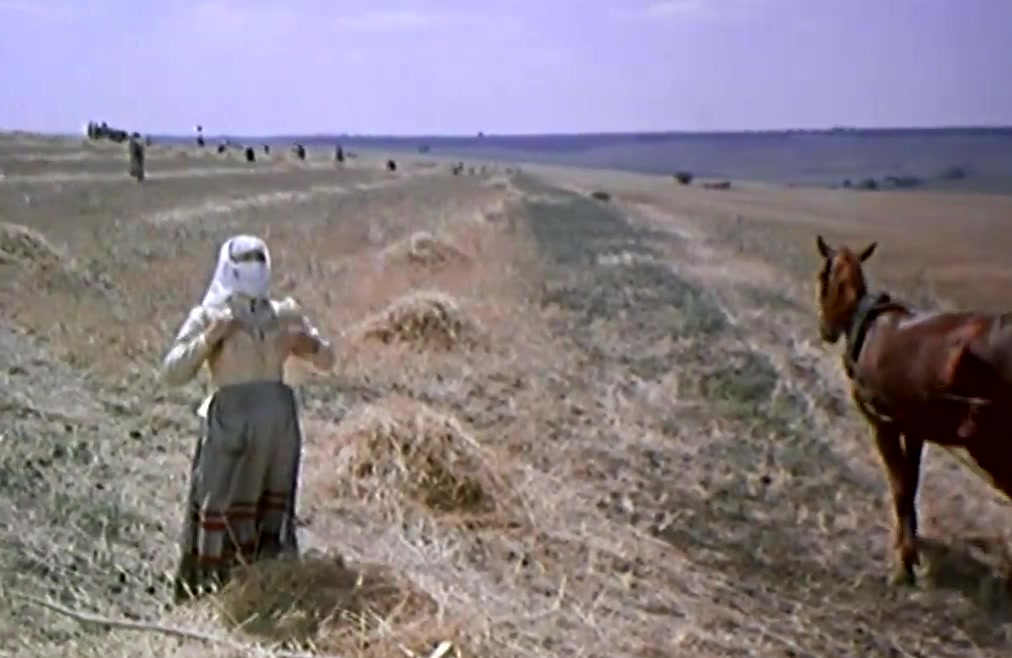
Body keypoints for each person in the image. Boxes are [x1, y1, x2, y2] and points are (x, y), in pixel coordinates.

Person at [160, 234, 335, 602]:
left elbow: (327, 360)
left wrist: (310, 346)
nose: (254, 268)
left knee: (270, 505)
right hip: (231, 428)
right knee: (221, 501)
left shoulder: (285, 314)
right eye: (245, 261)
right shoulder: (210, 316)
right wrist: (208, 340)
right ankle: (213, 589)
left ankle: (264, 585)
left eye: (259, 259)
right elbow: (172, 372)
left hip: (277, 430)